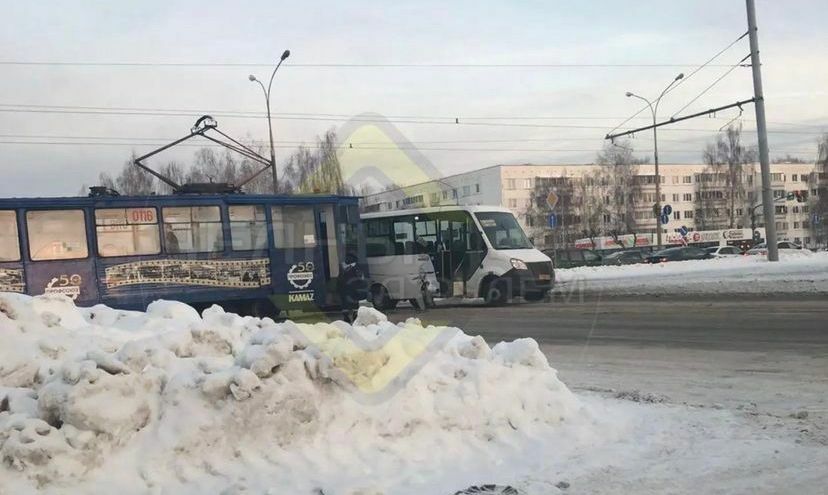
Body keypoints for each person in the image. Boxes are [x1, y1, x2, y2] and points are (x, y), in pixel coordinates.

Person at [337, 253, 365, 323]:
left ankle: (352, 316)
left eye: (349, 258)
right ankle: (347, 317)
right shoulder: (343, 266)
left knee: (352, 304)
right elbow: (339, 277)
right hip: (346, 289)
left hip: (351, 289)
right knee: (346, 304)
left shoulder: (355, 267)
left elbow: (360, 278)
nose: (347, 259)